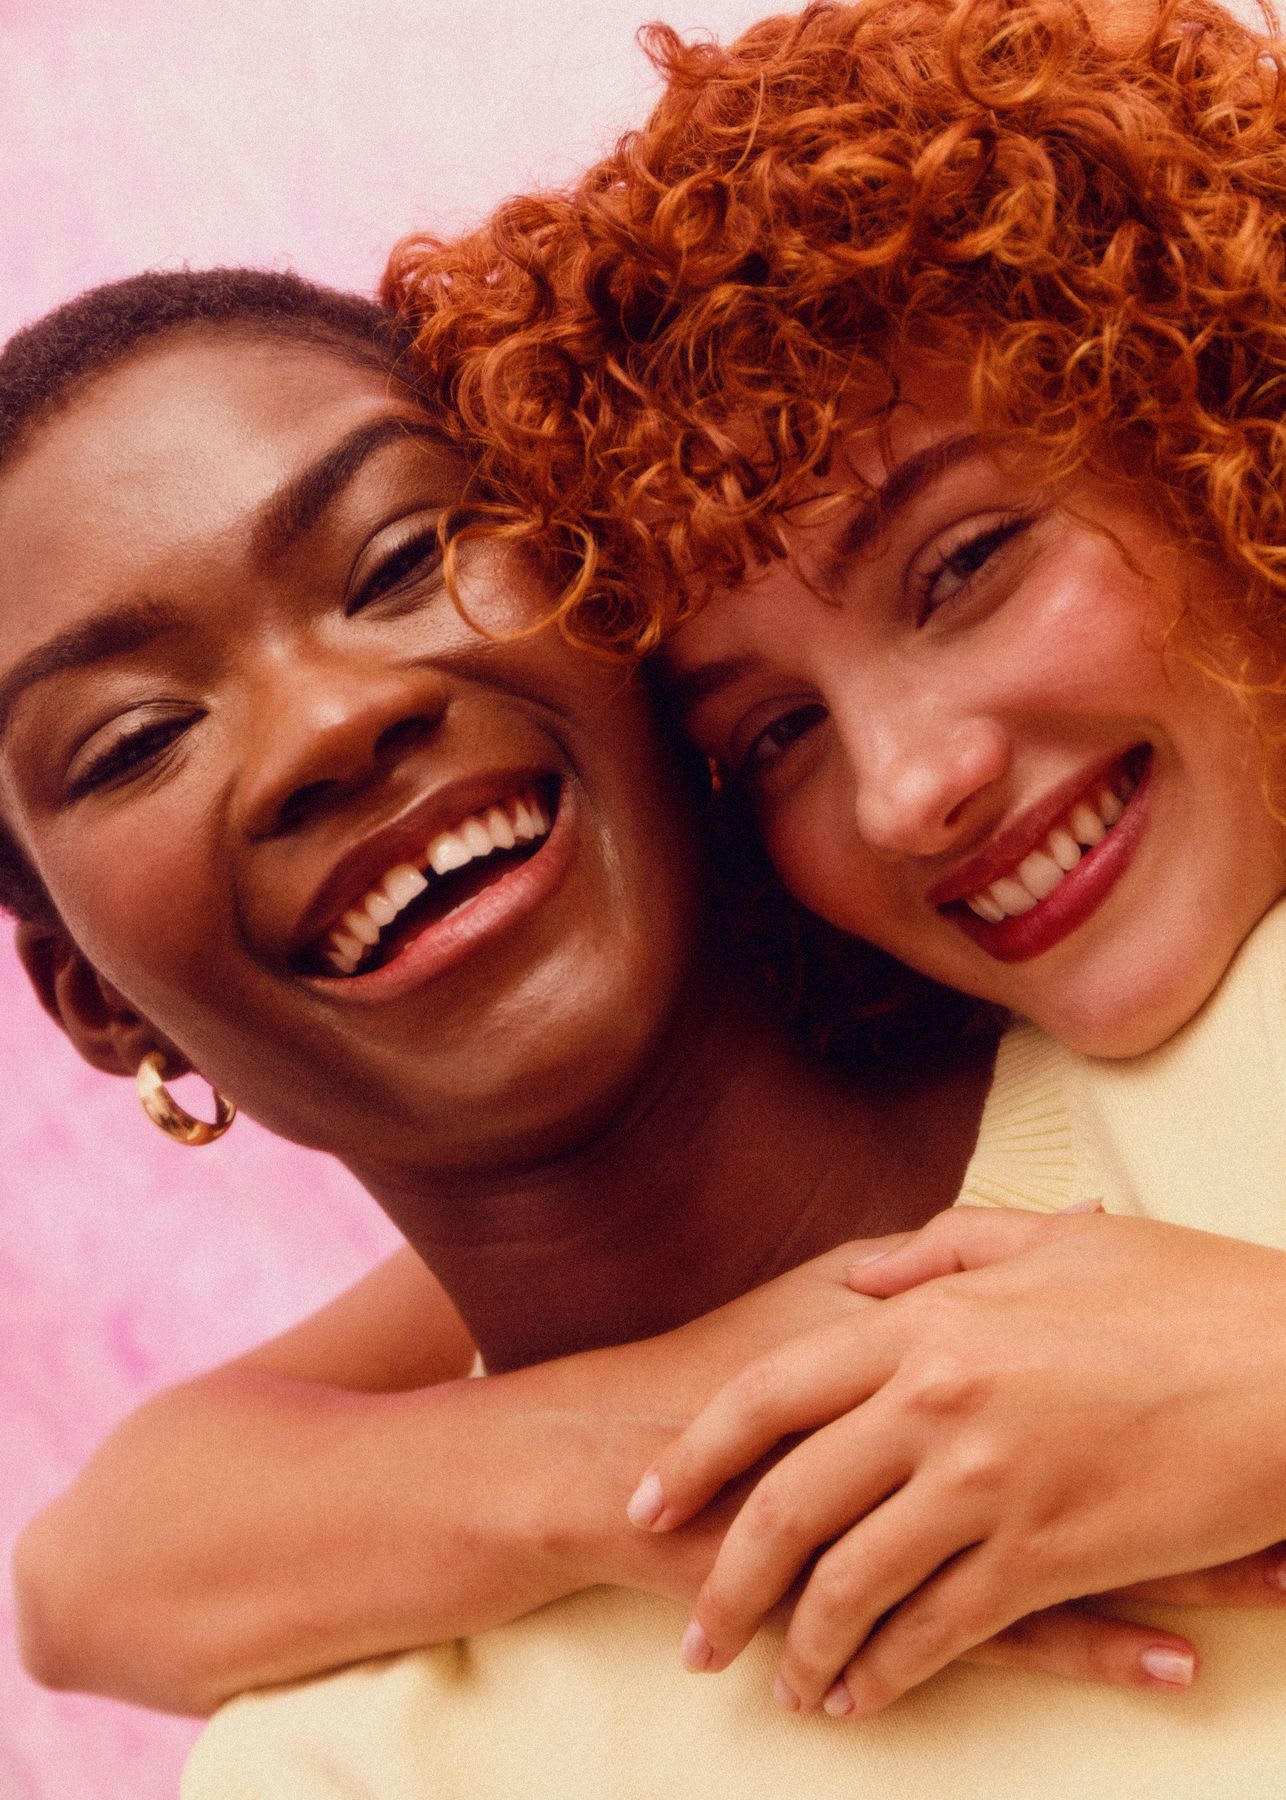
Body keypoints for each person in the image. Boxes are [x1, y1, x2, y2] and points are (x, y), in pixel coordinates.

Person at [9, 266, 1169, 1729]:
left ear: (621, 597)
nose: (331, 723)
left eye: (401, 556)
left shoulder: (1203, 1007)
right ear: (95, 1006)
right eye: (129, 742)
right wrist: (663, 1445)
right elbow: (68, 1581)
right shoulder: (352, 1760)